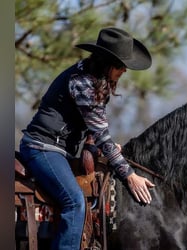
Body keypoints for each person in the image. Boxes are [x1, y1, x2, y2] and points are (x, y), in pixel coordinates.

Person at [19, 27, 155, 250]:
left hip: (59, 150)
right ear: (108, 63)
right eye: (122, 65)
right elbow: (101, 134)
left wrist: (104, 148)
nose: (124, 71)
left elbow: (95, 132)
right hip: (42, 148)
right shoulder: (82, 83)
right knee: (75, 203)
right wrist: (130, 176)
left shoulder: (93, 79)